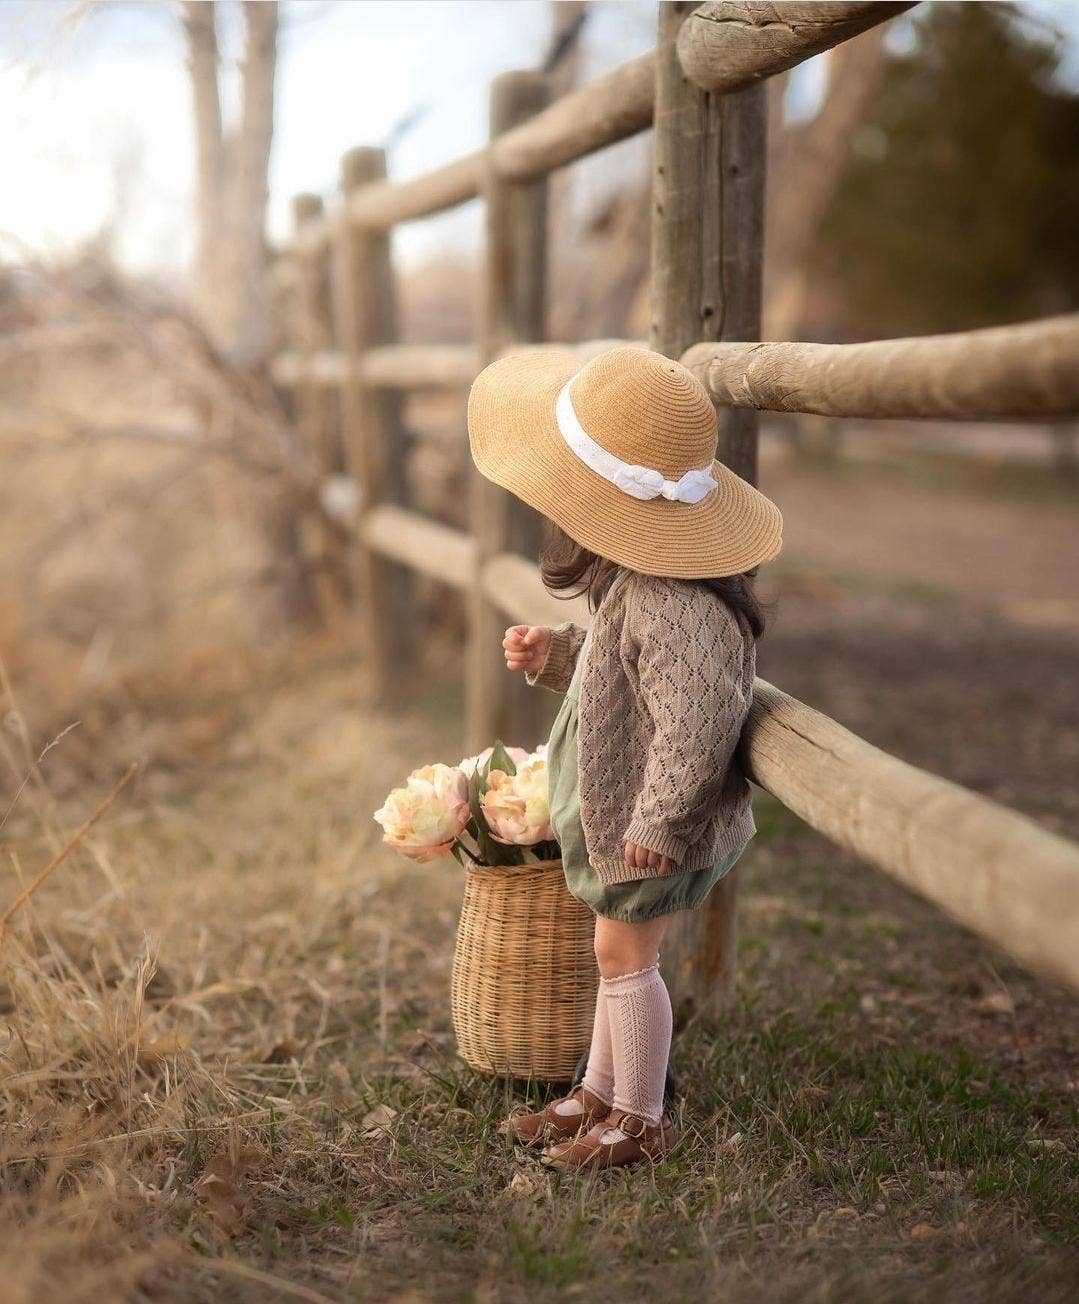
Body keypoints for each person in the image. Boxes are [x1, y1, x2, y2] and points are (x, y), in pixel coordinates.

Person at [466, 344, 783, 1170]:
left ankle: (638, 1119)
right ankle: (600, 1093)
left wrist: (661, 820)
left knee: (623, 956)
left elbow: (697, 721)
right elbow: (626, 679)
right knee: (616, 954)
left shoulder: (671, 601)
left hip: (651, 822)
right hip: (631, 815)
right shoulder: (642, 583)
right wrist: (556, 657)